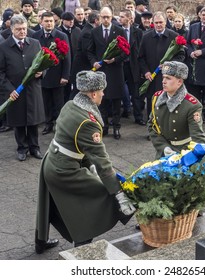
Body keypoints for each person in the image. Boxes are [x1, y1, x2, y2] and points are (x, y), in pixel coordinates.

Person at [35, 70, 135, 253]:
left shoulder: (70, 105)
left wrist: (88, 165)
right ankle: (82, 246)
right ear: (94, 93)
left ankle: (40, 242)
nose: (104, 94)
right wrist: (119, 194)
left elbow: (71, 138)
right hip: (65, 170)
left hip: (52, 161)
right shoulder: (88, 122)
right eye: (102, 91)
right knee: (95, 198)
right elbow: (103, 163)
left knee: (48, 205)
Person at [0, 15, 45, 161]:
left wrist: (41, 72)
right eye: (19, 29)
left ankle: (35, 148)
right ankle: (22, 148)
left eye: (24, 29)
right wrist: (9, 89)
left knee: (33, 121)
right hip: (15, 91)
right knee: (19, 122)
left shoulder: (35, 43)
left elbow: (43, 63)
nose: (22, 32)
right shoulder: (4, 47)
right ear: (11, 29)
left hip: (33, 89)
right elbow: (1, 72)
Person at [148, 61, 205, 159]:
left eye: (168, 78)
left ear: (179, 82)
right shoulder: (156, 98)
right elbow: (152, 126)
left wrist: (204, 161)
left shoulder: (192, 105)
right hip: (164, 153)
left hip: (184, 153)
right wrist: (164, 148)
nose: (163, 81)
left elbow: (198, 136)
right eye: (163, 77)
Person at [87, 6, 128, 140]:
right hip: (101, 71)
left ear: (112, 17)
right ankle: (103, 126)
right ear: (99, 18)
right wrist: (94, 62)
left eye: (108, 17)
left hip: (115, 71)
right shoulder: (95, 32)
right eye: (103, 17)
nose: (105, 20)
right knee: (101, 101)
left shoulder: (119, 30)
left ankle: (116, 127)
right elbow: (90, 51)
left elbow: (126, 52)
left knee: (116, 100)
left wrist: (115, 59)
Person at [138, 11, 185, 121]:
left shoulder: (174, 36)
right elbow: (140, 57)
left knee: (167, 103)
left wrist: (169, 65)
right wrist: (146, 72)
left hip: (168, 77)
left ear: (166, 22)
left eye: (161, 22)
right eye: (156, 22)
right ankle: (152, 127)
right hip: (152, 77)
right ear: (152, 23)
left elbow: (181, 55)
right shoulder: (146, 36)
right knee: (152, 103)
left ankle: (166, 128)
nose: (159, 25)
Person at [32, 11, 71, 135]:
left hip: (57, 75)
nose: (49, 23)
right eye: (46, 21)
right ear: (41, 22)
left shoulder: (61, 36)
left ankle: (59, 125)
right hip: (41, 76)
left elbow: (67, 57)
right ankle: (48, 124)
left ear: (55, 22)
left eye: (51, 21)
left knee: (58, 103)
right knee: (46, 102)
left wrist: (65, 76)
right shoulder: (35, 36)